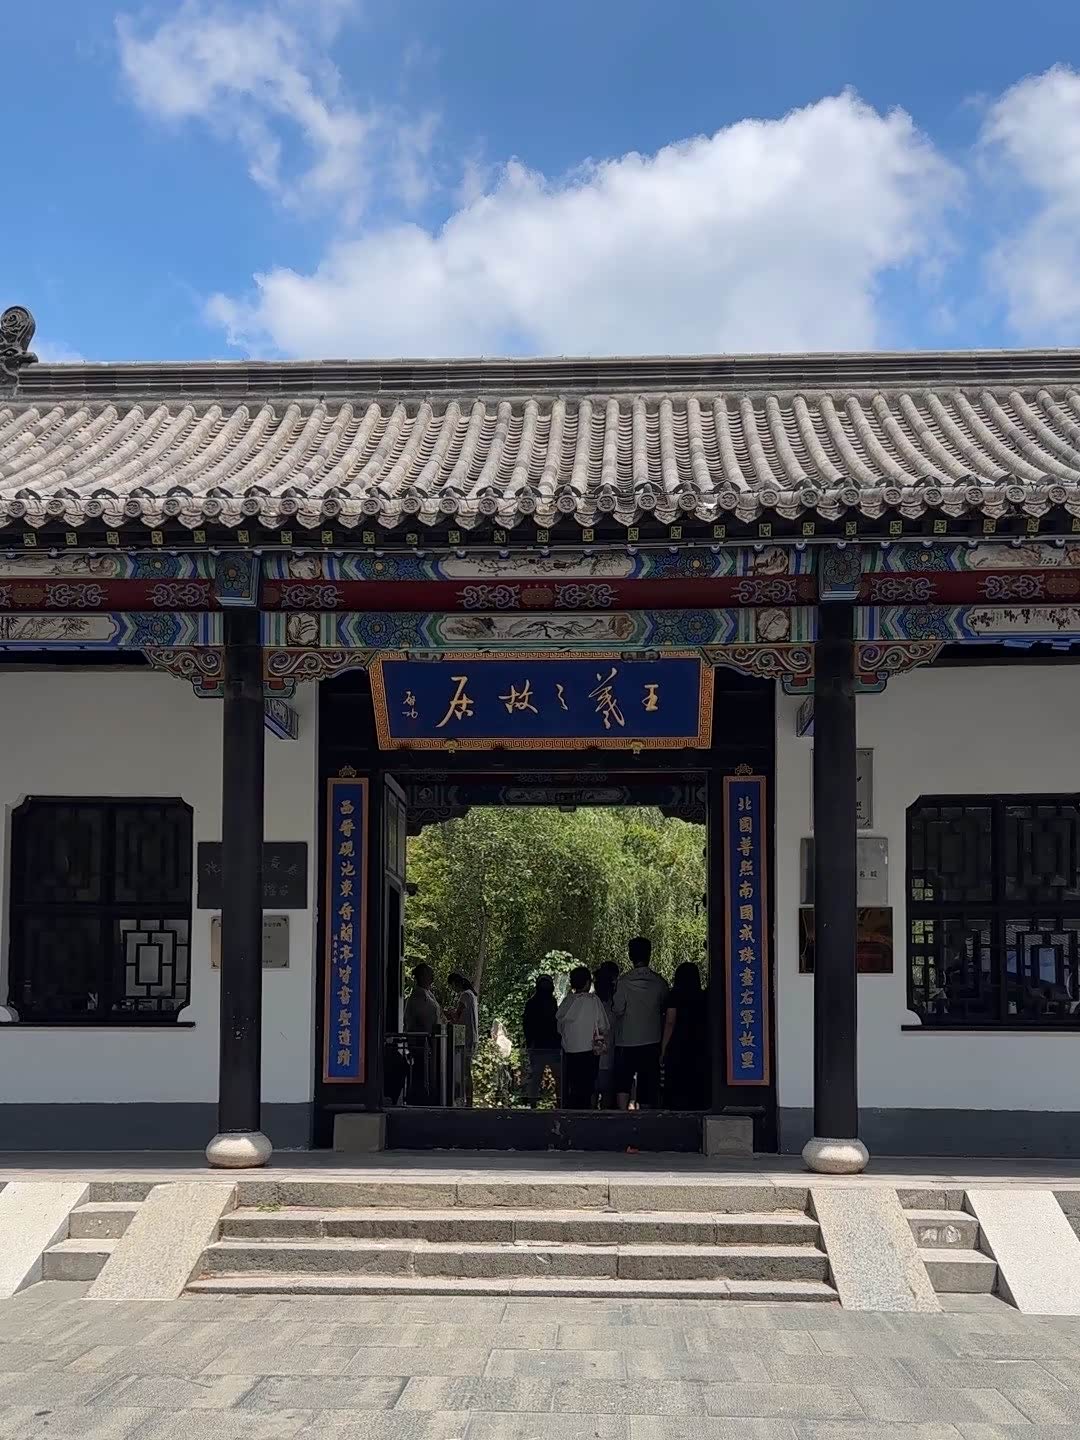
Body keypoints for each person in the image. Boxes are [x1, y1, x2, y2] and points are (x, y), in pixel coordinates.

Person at [612, 936, 669, 1110]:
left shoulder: (623, 982)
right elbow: (665, 1008)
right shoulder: (660, 983)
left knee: (623, 1081)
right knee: (648, 1083)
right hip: (651, 1040)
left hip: (626, 1040)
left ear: (630, 956)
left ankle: (622, 1115)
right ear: (649, 955)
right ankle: (647, 1117)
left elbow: (617, 1009)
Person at [556, 965, 610, 1109]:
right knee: (587, 1086)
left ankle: (571, 1111)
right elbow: (603, 1025)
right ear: (587, 983)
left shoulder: (567, 1001)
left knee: (572, 1085)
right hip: (589, 1049)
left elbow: (559, 1026)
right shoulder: (593, 1000)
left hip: (569, 1050)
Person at [660, 961, 710, 1109]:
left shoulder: (674, 996)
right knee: (696, 1078)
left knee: (677, 1080)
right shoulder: (703, 996)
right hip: (699, 1042)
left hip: (678, 1043)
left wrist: (663, 1049)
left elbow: (670, 1022)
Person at [403, 963, 442, 1105]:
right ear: (422, 976)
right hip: (420, 1042)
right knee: (420, 1071)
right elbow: (424, 1018)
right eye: (429, 974)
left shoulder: (428, 994)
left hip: (428, 1042)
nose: (432, 978)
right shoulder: (418, 996)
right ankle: (420, 1098)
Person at [522, 974, 561, 1107]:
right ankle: (560, 1104)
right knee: (556, 1077)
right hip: (550, 1047)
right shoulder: (551, 1002)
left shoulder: (532, 1003)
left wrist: (530, 1044)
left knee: (536, 1078)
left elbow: (526, 1026)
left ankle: (534, 1105)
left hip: (540, 1047)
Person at [446, 972, 479, 1107]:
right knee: (467, 1071)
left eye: (451, 986)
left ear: (455, 983)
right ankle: (468, 1100)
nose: (453, 990)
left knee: (466, 1072)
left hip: (466, 1038)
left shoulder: (465, 995)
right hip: (472, 1037)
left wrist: (448, 1013)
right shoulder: (471, 995)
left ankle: (467, 1101)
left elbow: (457, 1016)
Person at [592, 961, 620, 1108]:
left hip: (590, 1056)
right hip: (609, 1055)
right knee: (608, 1096)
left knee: (592, 1094)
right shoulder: (615, 1006)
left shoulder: (590, 1004)